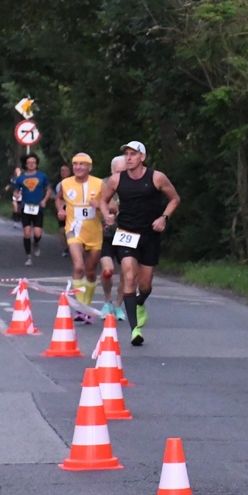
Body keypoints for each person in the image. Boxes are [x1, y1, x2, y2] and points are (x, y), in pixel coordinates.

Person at [100, 141, 180, 346]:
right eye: (126, 154)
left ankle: (140, 302)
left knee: (145, 286)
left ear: (142, 157)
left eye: (133, 154)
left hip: (149, 235)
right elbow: (103, 199)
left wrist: (164, 218)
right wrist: (107, 214)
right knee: (128, 276)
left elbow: (174, 199)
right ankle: (134, 330)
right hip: (126, 233)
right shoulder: (117, 180)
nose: (128, 157)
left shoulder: (156, 177)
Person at [55, 153, 104, 323]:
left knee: (91, 271)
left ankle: (87, 306)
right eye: (75, 164)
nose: (78, 167)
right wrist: (60, 210)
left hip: (94, 232)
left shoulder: (99, 183)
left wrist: (99, 206)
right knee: (78, 267)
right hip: (73, 229)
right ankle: (80, 307)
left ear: (89, 167)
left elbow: (111, 206)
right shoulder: (65, 183)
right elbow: (59, 198)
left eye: (82, 164)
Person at [99, 155, 127, 320]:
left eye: (123, 171)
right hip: (106, 233)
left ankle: (118, 305)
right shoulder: (102, 184)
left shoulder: (134, 184)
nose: (120, 175)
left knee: (126, 272)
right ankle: (107, 301)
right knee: (107, 270)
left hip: (126, 234)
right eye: (117, 171)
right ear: (111, 170)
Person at [13, 155, 52, 266]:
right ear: (25, 164)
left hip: (38, 207)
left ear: (36, 164)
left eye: (33, 162)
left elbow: (49, 189)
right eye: (29, 162)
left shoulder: (42, 176)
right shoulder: (20, 178)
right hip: (26, 207)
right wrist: (16, 195)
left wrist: (45, 200)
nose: (31, 164)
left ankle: (35, 243)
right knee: (26, 233)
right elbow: (15, 191)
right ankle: (29, 257)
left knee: (37, 233)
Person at [55, 164, 72, 257]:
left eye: (66, 170)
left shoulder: (74, 182)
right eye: (62, 171)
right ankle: (65, 249)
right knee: (62, 230)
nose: (64, 172)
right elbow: (57, 197)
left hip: (72, 208)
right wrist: (59, 209)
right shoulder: (59, 185)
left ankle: (74, 246)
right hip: (63, 207)